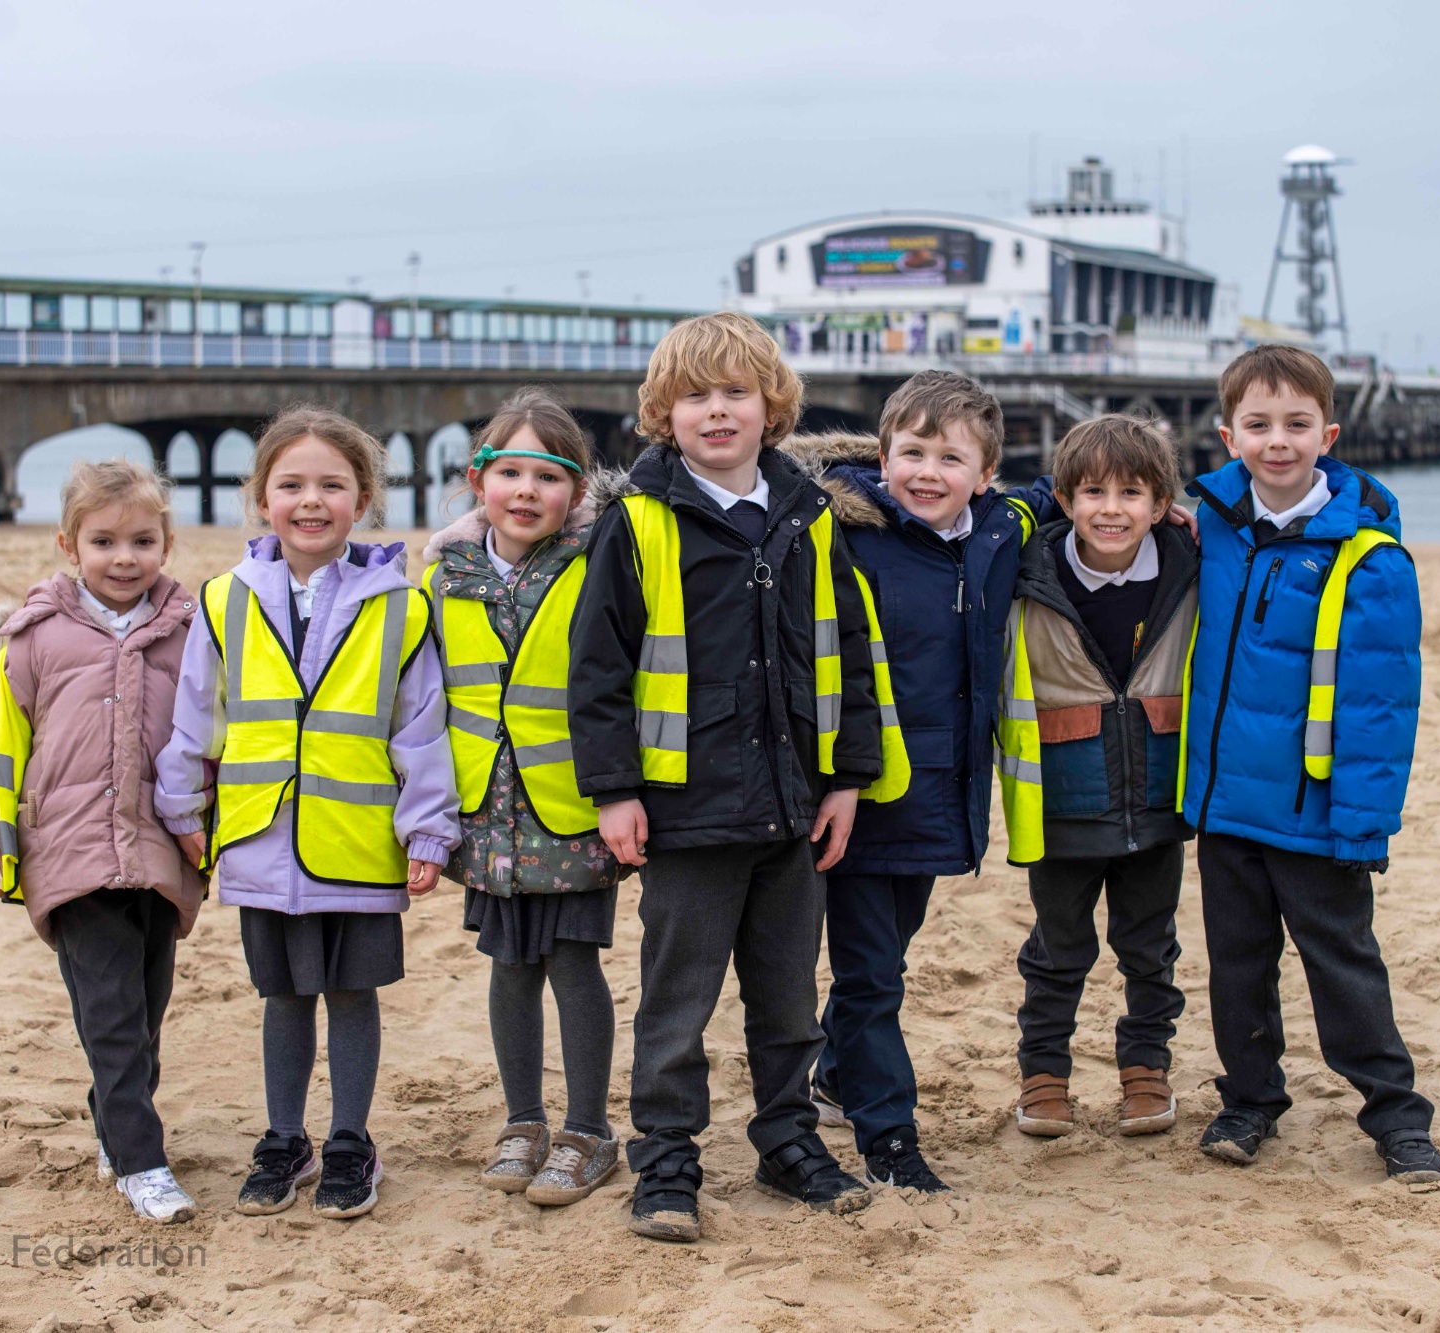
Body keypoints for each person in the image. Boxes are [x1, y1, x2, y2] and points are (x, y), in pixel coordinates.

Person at [567, 312, 890, 1242]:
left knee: (789, 998)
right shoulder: (636, 521)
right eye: (694, 396)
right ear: (663, 413)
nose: (716, 411)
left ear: (773, 407)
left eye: (735, 394)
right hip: (685, 810)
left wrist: (847, 779)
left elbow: (849, 655)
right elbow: (599, 671)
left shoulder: (810, 514)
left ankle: (790, 1142)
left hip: (794, 804)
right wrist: (615, 789)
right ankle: (665, 1161)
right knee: (677, 1001)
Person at [155, 404, 460, 1220]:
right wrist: (182, 802)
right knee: (283, 997)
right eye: (291, 484)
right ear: (261, 498)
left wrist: (428, 826)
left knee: (353, 994)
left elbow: (420, 727)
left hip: (359, 844)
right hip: (261, 839)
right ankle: (283, 1136)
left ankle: (352, 1141)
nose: (311, 500)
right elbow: (198, 714)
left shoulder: (401, 603)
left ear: (362, 498)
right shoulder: (223, 599)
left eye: (332, 484)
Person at [1179, 344, 1440, 1183]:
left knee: (1344, 965)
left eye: (1297, 424)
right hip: (1224, 808)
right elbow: (1093, 501)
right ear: (1228, 436)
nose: (1278, 441)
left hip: (1314, 812)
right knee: (1238, 967)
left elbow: (1380, 704)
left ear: (1327, 433)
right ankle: (1251, 1098)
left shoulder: (1367, 556)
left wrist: (1363, 822)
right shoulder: (1208, 526)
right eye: (1258, 425)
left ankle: (1397, 1117)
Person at [779, 371, 1040, 1192]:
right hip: (858, 792)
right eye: (912, 452)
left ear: (985, 472)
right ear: (881, 454)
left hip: (944, 792)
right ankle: (889, 1137)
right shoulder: (841, 531)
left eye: (952, 457)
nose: (929, 472)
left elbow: (1067, 498)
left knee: (887, 952)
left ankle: (831, 1072)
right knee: (873, 975)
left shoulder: (1000, 531)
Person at [0, 459, 205, 1224]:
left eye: (142, 540)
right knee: (110, 1007)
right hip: (68, 852)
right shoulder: (32, 637)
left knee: (146, 1006)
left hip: (160, 850)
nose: (124, 557)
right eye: (104, 541)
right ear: (68, 544)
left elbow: (215, 736)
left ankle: (112, 1120)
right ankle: (140, 1158)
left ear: (166, 542)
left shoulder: (192, 633)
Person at [422, 387, 627, 1208]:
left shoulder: (598, 567)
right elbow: (425, 699)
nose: (526, 491)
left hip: (571, 808)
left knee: (574, 964)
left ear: (578, 493)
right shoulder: (444, 578)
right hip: (488, 812)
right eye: (509, 471)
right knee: (509, 966)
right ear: (479, 481)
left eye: (549, 476)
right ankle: (523, 1119)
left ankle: (587, 1128)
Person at [994, 415, 1198, 1144]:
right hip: (1059, 804)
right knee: (1057, 949)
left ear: (1162, 502)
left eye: (1132, 493)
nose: (1111, 509)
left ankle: (1146, 1069)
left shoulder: (1189, 565)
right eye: (1092, 492)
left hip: (1156, 801)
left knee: (1151, 948)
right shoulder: (1025, 571)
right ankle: (1044, 1075)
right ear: (1062, 497)